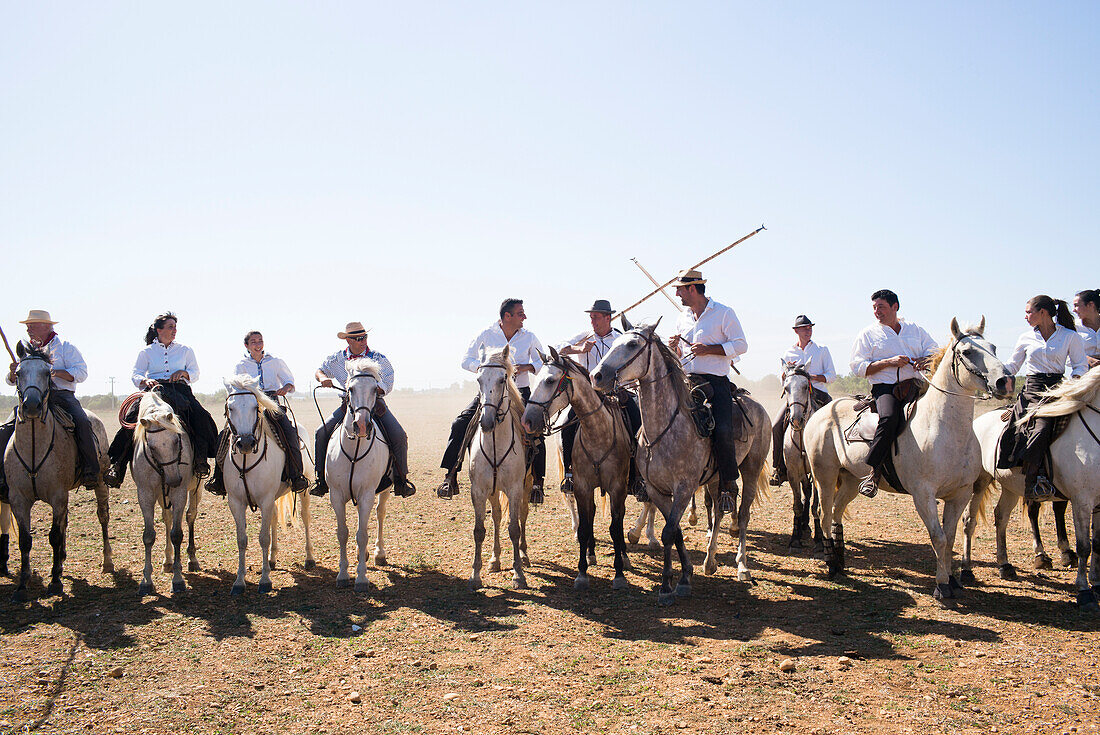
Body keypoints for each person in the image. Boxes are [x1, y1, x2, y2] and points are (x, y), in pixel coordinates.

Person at [437, 298, 546, 502]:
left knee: (536, 429)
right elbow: (466, 360)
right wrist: (486, 369)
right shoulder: (486, 334)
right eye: (520, 313)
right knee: (460, 424)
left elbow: (542, 361)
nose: (525, 317)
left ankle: (538, 484)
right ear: (507, 316)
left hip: (520, 392)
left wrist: (528, 367)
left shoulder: (529, 337)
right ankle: (450, 477)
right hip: (489, 393)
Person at [104, 313, 220, 487]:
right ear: (159, 330)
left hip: (180, 390)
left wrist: (184, 373)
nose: (174, 330)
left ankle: (201, 460)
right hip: (153, 391)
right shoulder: (147, 352)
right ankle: (118, 465)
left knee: (202, 418)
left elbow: (195, 373)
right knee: (131, 419)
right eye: (170, 327)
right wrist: (145, 381)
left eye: (175, 327)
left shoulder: (185, 350)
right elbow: (136, 373)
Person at [667, 269, 747, 512]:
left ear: (693, 288)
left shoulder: (724, 313)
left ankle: (728, 486)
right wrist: (675, 349)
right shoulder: (683, 317)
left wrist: (710, 349)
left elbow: (741, 345)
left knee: (722, 430)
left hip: (716, 383)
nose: (678, 294)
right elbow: (681, 354)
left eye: (681, 289)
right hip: (687, 381)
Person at [1, 310, 100, 500]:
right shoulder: (26, 350)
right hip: (32, 398)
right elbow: (11, 381)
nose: (28, 328)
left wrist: (54, 372)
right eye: (27, 325)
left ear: (47, 327)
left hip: (62, 396)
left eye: (33, 324)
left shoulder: (65, 347)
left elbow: (81, 372)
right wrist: (13, 373)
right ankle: (2, 477)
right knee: (4, 429)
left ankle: (91, 470)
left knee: (82, 422)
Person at [848, 289, 939, 498]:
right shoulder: (868, 334)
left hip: (916, 385)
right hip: (886, 388)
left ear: (895, 307)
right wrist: (888, 362)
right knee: (888, 419)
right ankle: (873, 471)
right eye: (874, 308)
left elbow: (934, 351)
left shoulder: (915, 330)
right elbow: (857, 367)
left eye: (881, 307)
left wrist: (924, 361)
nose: (876, 312)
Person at [996, 295, 1088, 501]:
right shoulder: (1025, 338)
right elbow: (1013, 365)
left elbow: (1080, 365)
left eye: (1029, 312)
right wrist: (998, 373)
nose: (1025, 316)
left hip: (1058, 389)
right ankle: (1033, 481)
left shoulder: (1070, 337)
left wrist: (1074, 381)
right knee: (1042, 427)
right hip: (1032, 390)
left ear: (1043, 313)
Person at [311, 322, 414, 498]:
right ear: (348, 340)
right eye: (358, 338)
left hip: (375, 405)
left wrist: (373, 389)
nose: (363, 341)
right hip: (348, 405)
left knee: (398, 435)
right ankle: (321, 480)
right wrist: (322, 379)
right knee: (321, 432)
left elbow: (388, 382)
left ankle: (401, 480)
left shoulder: (378, 358)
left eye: (365, 337)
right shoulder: (337, 359)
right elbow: (320, 370)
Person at [555, 299, 642, 495]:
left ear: (608, 318)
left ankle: (637, 476)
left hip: (616, 392)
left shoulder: (619, 339)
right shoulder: (583, 337)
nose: (592, 321)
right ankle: (569, 474)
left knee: (636, 421)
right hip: (587, 395)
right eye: (591, 317)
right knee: (567, 425)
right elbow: (558, 348)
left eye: (596, 317)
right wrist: (579, 349)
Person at [205, 330, 309, 495]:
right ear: (246, 346)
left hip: (271, 403)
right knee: (224, 435)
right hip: (248, 405)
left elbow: (289, 380)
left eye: (260, 340)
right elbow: (236, 386)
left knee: (289, 433)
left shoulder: (275, 361)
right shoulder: (241, 365)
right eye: (253, 341)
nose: (257, 344)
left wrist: (285, 388)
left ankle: (296, 476)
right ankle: (218, 480)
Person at [769, 315, 836, 486]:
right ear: (796, 331)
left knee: (835, 425)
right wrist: (787, 373)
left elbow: (831, 376)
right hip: (796, 397)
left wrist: (811, 377)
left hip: (819, 394)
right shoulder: (788, 353)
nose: (808, 330)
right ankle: (778, 468)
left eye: (810, 327)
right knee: (777, 426)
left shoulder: (822, 350)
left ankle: (839, 465)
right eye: (805, 328)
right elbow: (783, 381)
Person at [1073, 288, 1100, 369]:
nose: (1073, 310)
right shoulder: (1074, 328)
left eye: (1076, 306)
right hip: (1084, 375)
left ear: (1090, 305)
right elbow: (1067, 356)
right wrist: (1087, 359)